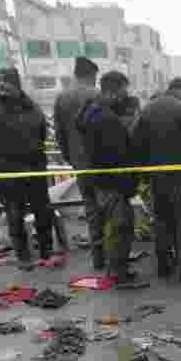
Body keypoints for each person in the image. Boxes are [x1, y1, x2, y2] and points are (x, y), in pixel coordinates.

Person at [0, 67, 59, 270]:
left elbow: (41, 133)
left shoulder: (32, 106)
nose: (2, 84)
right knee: (14, 214)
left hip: (35, 168)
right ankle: (23, 255)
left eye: (7, 80)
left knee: (43, 211)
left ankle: (46, 251)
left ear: (16, 83)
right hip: (7, 170)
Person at [76, 70, 146, 289]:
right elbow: (116, 155)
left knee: (116, 226)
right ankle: (118, 275)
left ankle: (117, 269)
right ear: (112, 91)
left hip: (103, 180)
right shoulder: (105, 119)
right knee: (120, 227)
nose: (125, 96)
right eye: (123, 91)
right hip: (112, 182)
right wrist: (128, 182)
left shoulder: (93, 113)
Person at [131, 77, 181, 282]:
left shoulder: (147, 110)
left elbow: (136, 143)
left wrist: (146, 172)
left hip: (157, 178)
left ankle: (163, 265)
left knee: (161, 221)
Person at [53, 57, 100, 265]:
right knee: (108, 208)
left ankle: (98, 256)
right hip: (103, 163)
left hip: (80, 163)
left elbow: (60, 134)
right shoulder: (98, 95)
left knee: (90, 208)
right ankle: (112, 255)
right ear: (92, 75)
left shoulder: (62, 98)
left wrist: (70, 158)